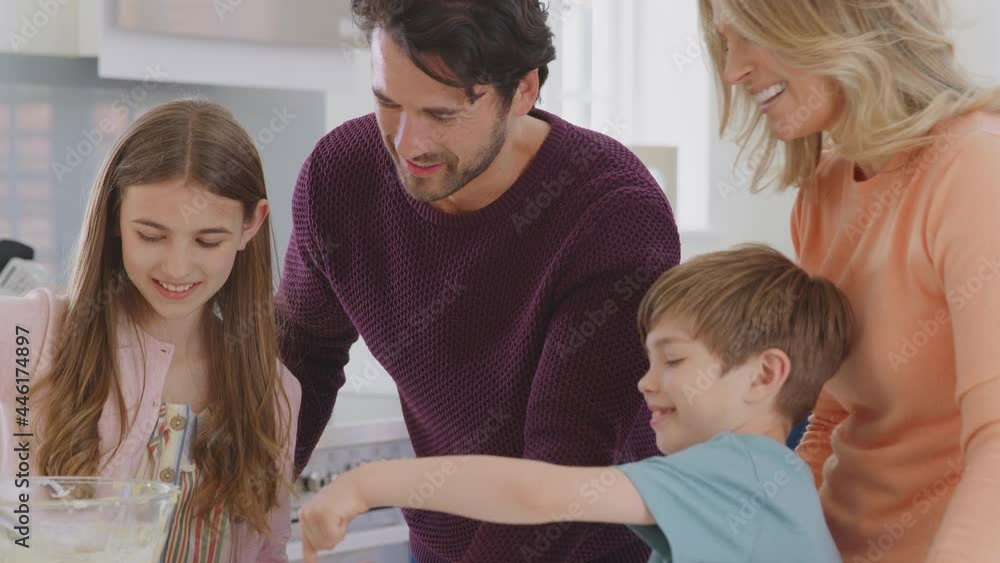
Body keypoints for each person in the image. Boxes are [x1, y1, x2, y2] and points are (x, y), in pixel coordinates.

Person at [276, 1, 681, 561]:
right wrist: (236, 510)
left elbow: (564, 467)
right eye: (388, 103)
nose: (408, 143)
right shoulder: (341, 175)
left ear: (523, 91)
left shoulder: (614, 219)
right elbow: (301, 358)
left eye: (442, 114)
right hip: (436, 545)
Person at [296, 244, 855, 563]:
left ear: (764, 375)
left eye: (674, 361)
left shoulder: (739, 472)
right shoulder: (765, 480)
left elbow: (539, 492)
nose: (646, 382)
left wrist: (368, 484)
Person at [699, 0, 1000, 561]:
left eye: (750, 36)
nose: (732, 70)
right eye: (725, 42)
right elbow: (833, 418)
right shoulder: (824, 191)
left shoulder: (976, 169)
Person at [0, 99, 301, 562]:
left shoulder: (275, 391)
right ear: (115, 216)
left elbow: (265, 553)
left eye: (208, 240)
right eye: (151, 236)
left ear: (250, 225)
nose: (177, 267)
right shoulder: (32, 334)